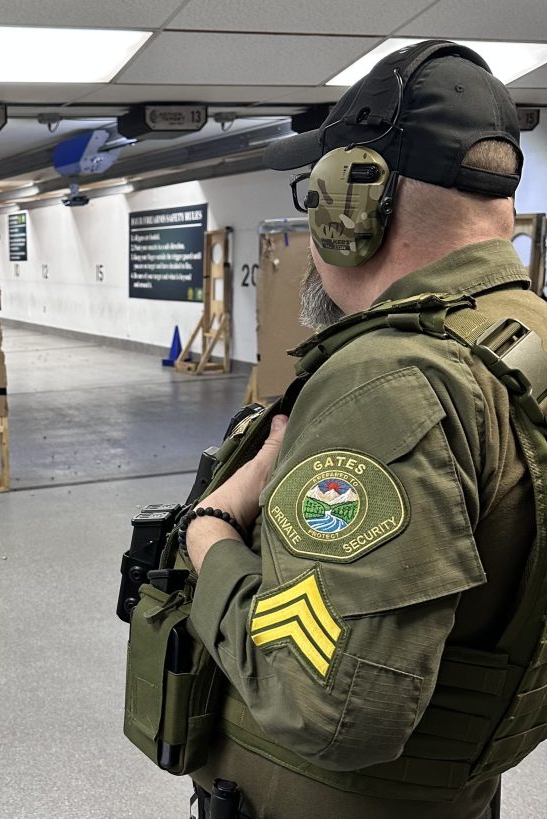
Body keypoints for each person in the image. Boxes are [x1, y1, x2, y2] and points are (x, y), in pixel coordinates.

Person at [162, 41, 547, 819]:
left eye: (315, 196)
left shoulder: (389, 384)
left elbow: (330, 706)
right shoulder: (525, 338)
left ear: (351, 200)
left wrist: (209, 532)